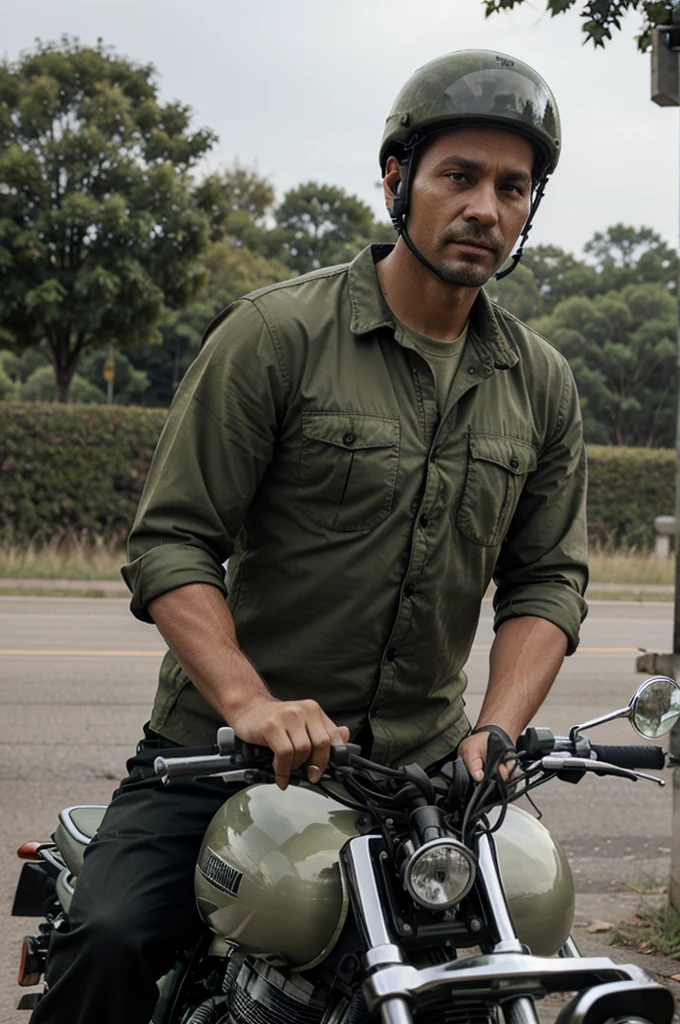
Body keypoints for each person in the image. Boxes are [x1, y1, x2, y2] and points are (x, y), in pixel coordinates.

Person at [32, 49, 587, 1024]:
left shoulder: (539, 384)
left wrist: (493, 727)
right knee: (112, 935)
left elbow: (545, 580)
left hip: (416, 771)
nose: (484, 208)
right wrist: (250, 701)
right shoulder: (275, 335)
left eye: (512, 186)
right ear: (396, 181)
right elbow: (170, 543)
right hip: (218, 753)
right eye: (457, 176)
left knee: (505, 963)